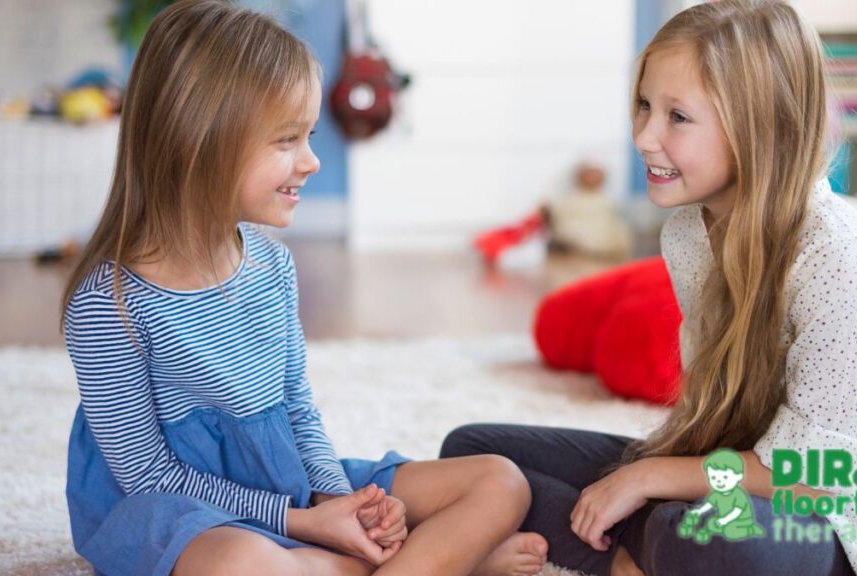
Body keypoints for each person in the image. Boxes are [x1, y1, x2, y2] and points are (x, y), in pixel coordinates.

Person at [441, 1, 857, 575]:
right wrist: (659, 476)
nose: (644, 137)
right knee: (474, 457)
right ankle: (640, 548)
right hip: (730, 475)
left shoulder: (837, 259)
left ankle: (637, 547)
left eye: (677, 117)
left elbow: (818, 476)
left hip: (839, 525)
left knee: (698, 536)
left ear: (763, 126)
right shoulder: (689, 232)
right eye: (644, 106)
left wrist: (653, 477)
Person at [60, 2, 547, 574]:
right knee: (240, 565)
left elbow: (297, 410)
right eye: (287, 140)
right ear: (199, 141)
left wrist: (339, 503)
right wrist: (303, 523)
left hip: (288, 486)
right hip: (188, 516)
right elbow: (149, 478)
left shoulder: (272, 266)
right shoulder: (107, 304)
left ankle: (391, 561)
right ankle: (438, 562)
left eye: (308, 135)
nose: (312, 161)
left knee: (500, 480)